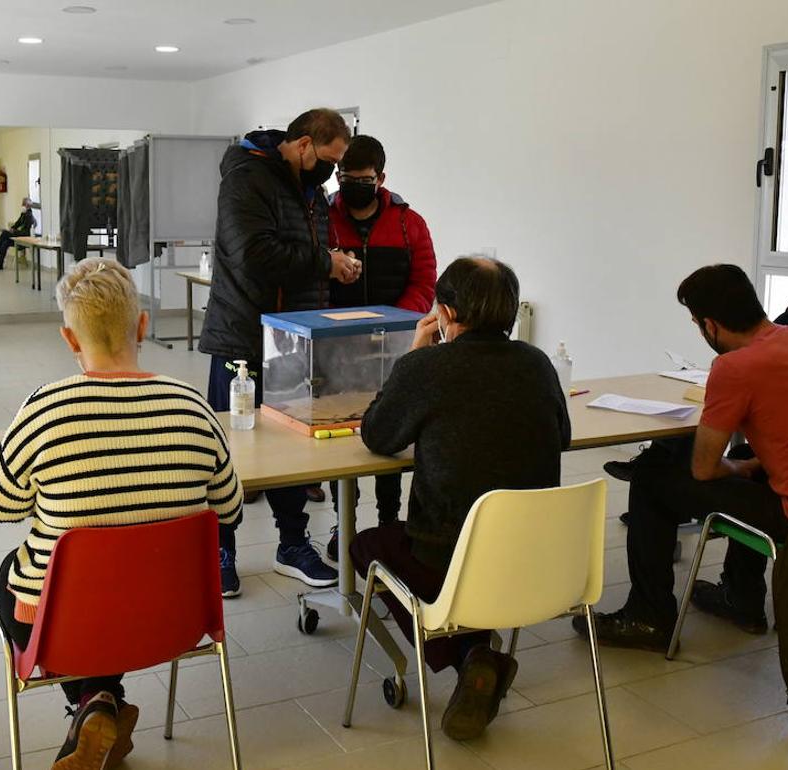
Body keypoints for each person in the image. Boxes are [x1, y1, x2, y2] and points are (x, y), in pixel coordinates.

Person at [0, 257, 242, 770]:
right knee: (116, 569)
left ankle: (94, 701)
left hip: (65, 630)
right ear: (141, 325)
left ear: (70, 340)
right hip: (173, 621)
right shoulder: (192, 407)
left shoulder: (47, 410)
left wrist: (2, 461)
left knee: (15, 569)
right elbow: (229, 509)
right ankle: (100, 702)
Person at [582, 265, 788, 652]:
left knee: (650, 479)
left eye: (696, 324)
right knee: (746, 454)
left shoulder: (734, 367)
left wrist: (737, 468)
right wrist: (744, 463)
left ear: (710, 325)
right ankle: (741, 599)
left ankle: (648, 617)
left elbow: (705, 469)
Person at [353, 256, 569, 741]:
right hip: (535, 559)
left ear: (445, 314)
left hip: (446, 557)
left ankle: (470, 656)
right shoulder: (538, 365)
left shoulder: (428, 367)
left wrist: (414, 353)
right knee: (467, 552)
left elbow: (377, 434)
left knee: (364, 546)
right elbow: (564, 435)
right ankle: (477, 652)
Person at [198, 107, 363, 597]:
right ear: (305, 145)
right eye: (329, 159)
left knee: (294, 446)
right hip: (242, 336)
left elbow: (306, 253)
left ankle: (292, 543)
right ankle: (221, 550)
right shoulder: (246, 179)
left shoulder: (308, 190)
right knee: (228, 451)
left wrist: (333, 268)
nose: (333, 171)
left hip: (295, 338)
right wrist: (324, 263)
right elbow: (253, 254)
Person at [323, 134, 438, 561]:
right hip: (335, 350)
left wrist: (393, 322)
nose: (352, 185)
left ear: (381, 178)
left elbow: (425, 280)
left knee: (390, 436)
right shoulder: (325, 219)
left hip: (396, 348)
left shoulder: (410, 223)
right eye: (345, 177)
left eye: (363, 179)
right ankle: (343, 522)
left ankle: (389, 520)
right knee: (341, 442)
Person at [0, 197, 36, 269]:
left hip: (25, 240)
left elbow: (26, 233)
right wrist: (12, 228)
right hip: (19, 237)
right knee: (5, 243)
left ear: (28, 206)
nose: (22, 205)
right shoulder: (23, 214)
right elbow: (17, 223)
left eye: (23, 204)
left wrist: (14, 231)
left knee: (4, 233)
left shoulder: (29, 217)